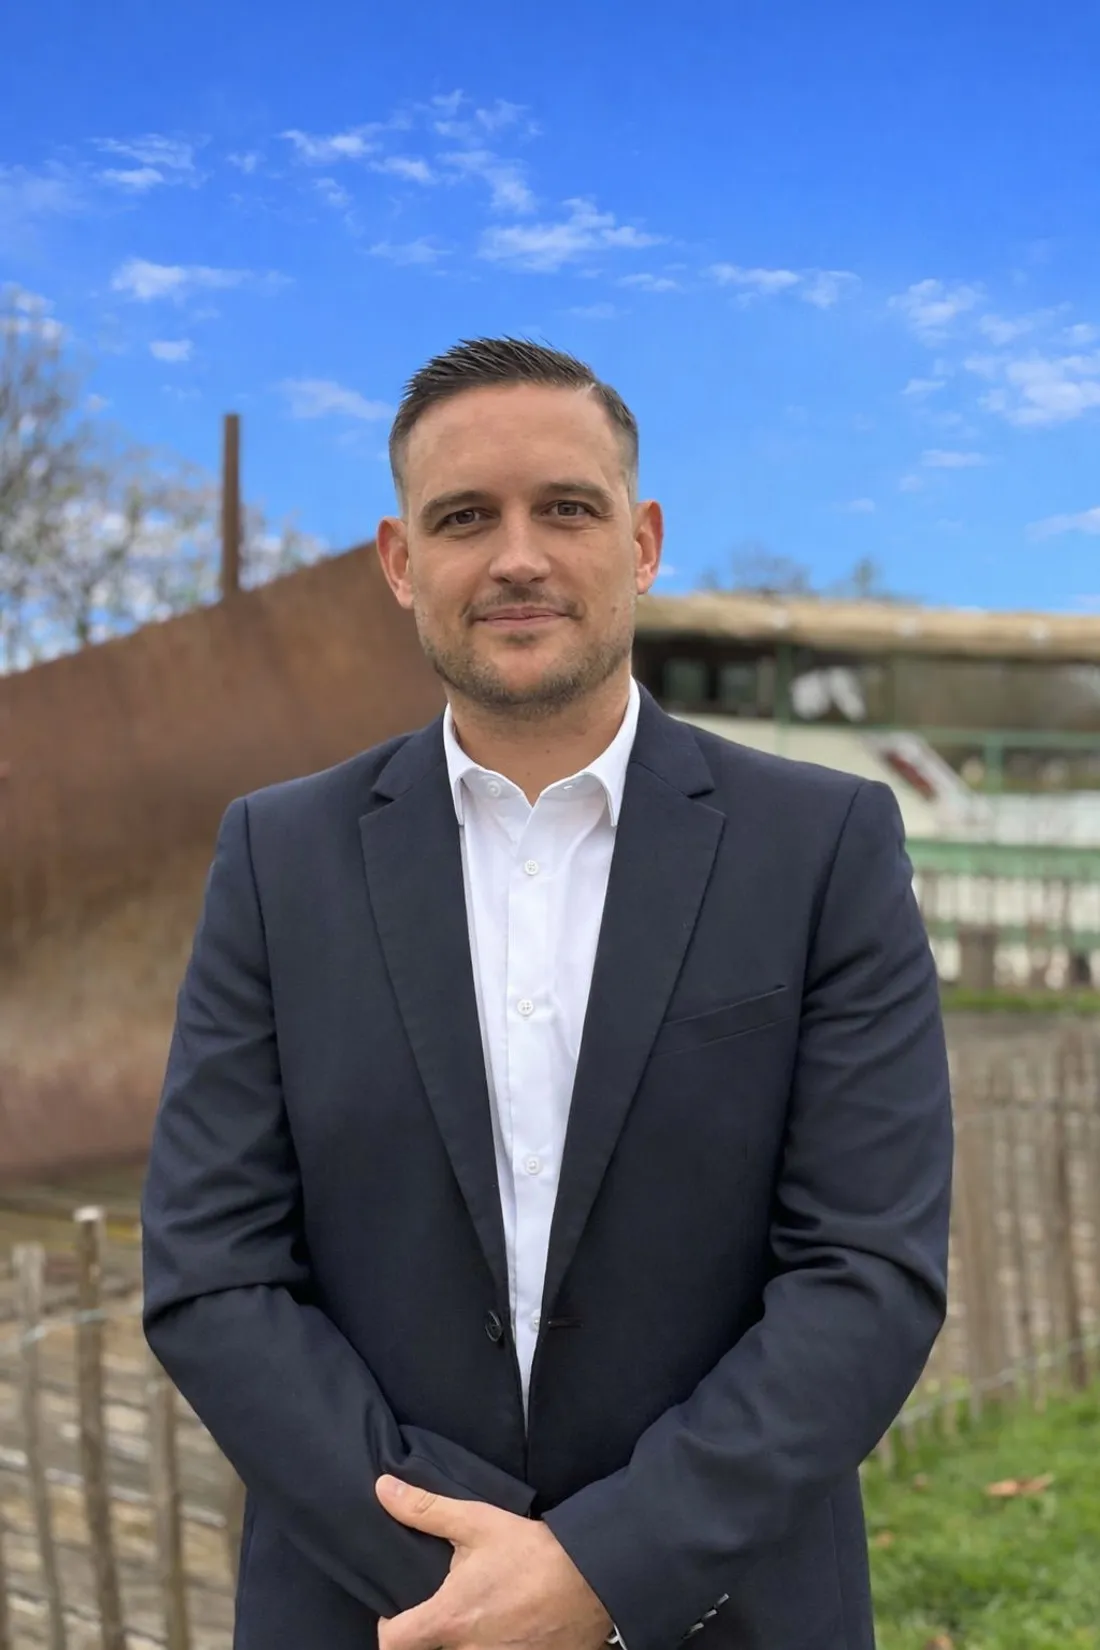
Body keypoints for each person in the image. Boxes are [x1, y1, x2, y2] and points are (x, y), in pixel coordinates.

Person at [142, 337, 953, 1650]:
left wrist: (605, 1568)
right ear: (403, 563)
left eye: (565, 508)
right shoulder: (274, 858)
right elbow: (211, 1269)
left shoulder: (823, 849)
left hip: (731, 1610)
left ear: (640, 541)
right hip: (374, 1610)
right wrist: (473, 1577)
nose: (518, 556)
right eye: (466, 517)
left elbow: (866, 1271)